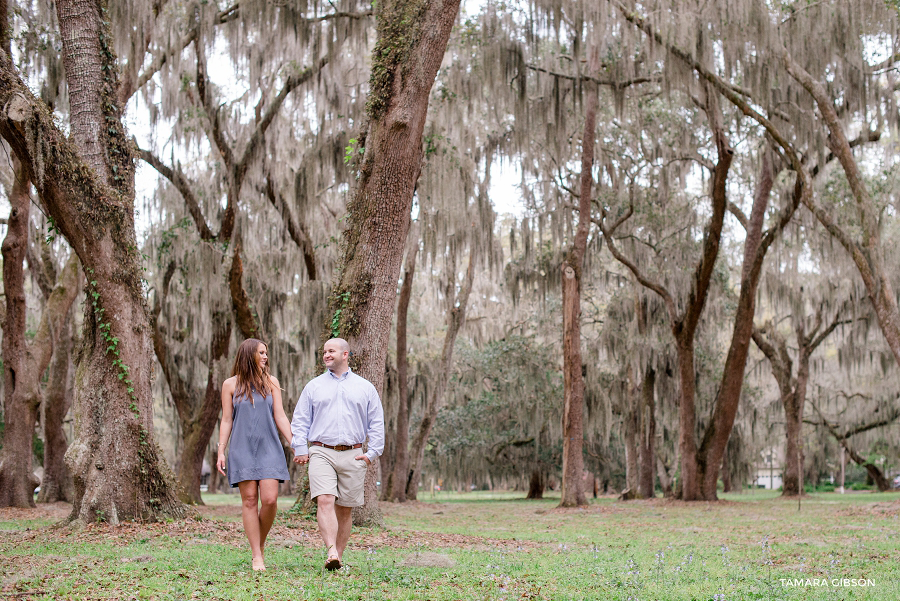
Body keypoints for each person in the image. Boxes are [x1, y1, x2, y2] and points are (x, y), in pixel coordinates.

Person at [291, 337, 384, 571]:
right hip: (321, 451)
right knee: (324, 500)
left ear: (345, 354)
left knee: (344, 510)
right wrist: (301, 448)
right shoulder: (314, 386)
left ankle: (337, 558)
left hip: (353, 454)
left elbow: (376, 422)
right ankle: (330, 549)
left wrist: (371, 453)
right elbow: (300, 420)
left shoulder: (365, 387)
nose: (326, 355)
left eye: (331, 351)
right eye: (324, 351)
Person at [216, 338, 292, 572]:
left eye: (266, 353)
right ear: (249, 354)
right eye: (261, 352)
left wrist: (294, 443)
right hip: (242, 448)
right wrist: (221, 449)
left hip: (269, 446)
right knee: (249, 501)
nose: (265, 356)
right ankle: (257, 555)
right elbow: (227, 419)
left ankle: (259, 542)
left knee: (269, 500)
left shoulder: (271, 382)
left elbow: (279, 415)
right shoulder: (230, 384)